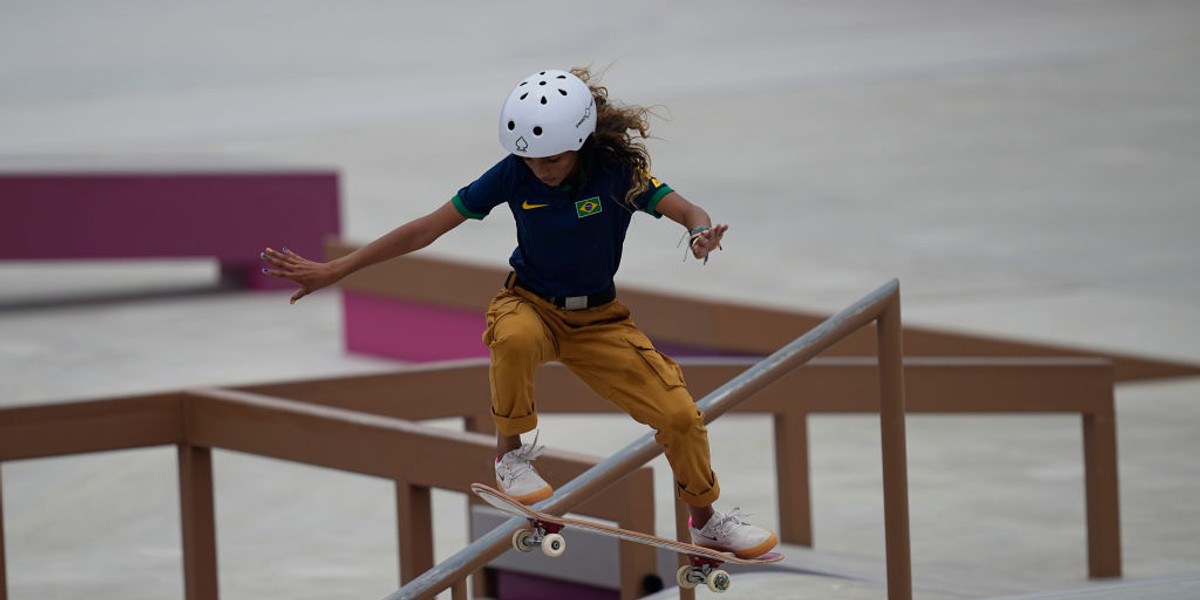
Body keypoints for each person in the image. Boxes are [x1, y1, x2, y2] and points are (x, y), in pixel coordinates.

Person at [261, 68, 777, 559]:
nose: (540, 169)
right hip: (528, 303)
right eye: (530, 159)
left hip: (601, 323)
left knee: (681, 416)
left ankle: (706, 521)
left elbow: (685, 209)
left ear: (579, 142)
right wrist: (338, 269)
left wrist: (699, 233)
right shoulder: (513, 174)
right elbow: (425, 228)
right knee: (513, 338)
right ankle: (509, 456)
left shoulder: (617, 174)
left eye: (552, 159)